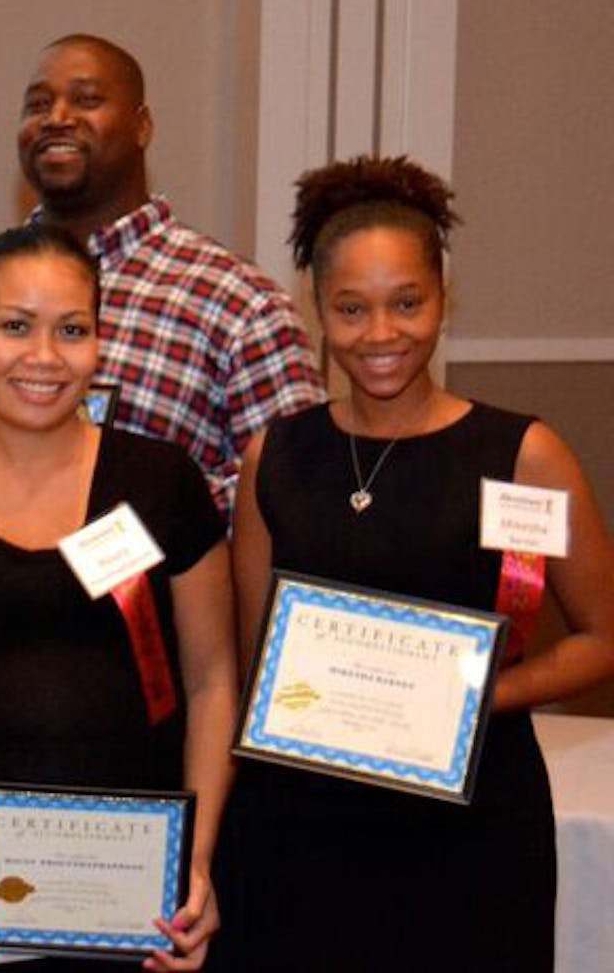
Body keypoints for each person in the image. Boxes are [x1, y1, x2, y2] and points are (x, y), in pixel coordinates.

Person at [215, 157, 614, 973]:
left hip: (468, 832)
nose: (382, 334)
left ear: (443, 298)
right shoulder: (276, 457)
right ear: (318, 310)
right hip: (303, 833)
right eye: (351, 309)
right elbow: (258, 659)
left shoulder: (522, 453)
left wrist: (467, 700)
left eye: (407, 303)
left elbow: (604, 638)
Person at [0, 226, 235, 972]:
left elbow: (212, 682)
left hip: (139, 905)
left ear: (101, 342)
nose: (44, 356)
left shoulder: (163, 481)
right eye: (15, 326)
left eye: (72, 329)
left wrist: (192, 865)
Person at [0, 34, 324, 514]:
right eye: (38, 104)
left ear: (142, 126)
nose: (57, 118)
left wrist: (142, 518)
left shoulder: (239, 304)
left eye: (86, 100)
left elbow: (292, 491)